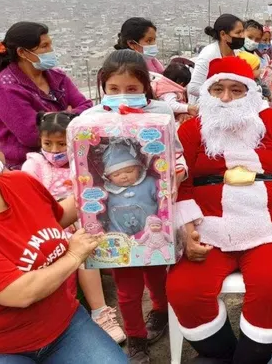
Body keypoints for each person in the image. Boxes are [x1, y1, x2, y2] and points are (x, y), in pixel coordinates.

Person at [167, 57, 272, 364]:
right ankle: (225, 355)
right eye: (217, 90)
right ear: (206, 92)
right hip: (209, 229)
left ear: (249, 92)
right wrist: (186, 227)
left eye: (236, 90)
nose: (225, 98)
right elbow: (179, 183)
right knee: (183, 290)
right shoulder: (192, 131)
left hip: (269, 229)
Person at [0, 107, 126, 363]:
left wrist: (104, 186)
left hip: (63, 325)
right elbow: (20, 293)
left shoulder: (22, 183)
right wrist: (75, 254)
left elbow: (56, 216)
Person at [82, 50, 185, 364]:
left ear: (146, 85)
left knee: (157, 274)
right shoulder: (89, 120)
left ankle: (159, 313)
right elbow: (82, 169)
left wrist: (177, 174)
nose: (122, 95)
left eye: (131, 88)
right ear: (103, 86)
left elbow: (176, 154)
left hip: (154, 215)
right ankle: (136, 338)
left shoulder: (161, 112)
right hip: (112, 221)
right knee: (126, 289)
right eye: (113, 89)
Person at [21, 111, 126, 345]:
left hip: (84, 222)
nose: (55, 150)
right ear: (40, 141)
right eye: (48, 143)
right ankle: (100, 310)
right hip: (49, 225)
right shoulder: (34, 165)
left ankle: (100, 311)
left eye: (61, 144)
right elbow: (30, 200)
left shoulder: (83, 162)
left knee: (93, 244)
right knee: (79, 255)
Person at [0, 21, 93, 170]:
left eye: (50, 45)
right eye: (44, 46)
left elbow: (88, 109)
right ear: (22, 52)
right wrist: (70, 116)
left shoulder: (56, 77)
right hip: (28, 165)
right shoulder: (6, 88)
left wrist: (52, 119)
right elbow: (31, 135)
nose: (51, 50)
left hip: (68, 157)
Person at [188, 14, 246, 104]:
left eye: (243, 32)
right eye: (238, 33)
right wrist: (218, 94)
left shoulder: (237, 52)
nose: (242, 36)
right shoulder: (208, 55)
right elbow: (193, 88)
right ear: (223, 34)